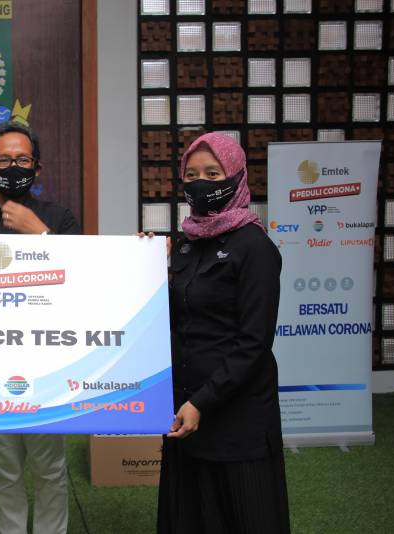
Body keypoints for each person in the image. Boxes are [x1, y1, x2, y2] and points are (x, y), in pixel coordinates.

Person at [157, 132, 290, 533]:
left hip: (236, 418)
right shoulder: (185, 245)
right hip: (185, 413)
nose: (201, 183)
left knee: (246, 517)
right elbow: (175, 321)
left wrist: (202, 402)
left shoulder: (255, 247)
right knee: (191, 517)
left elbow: (253, 343)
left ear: (236, 176)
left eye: (213, 173)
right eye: (192, 174)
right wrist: (149, 271)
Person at [0, 121, 79, 534]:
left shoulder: (60, 219)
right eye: (4, 160)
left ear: (37, 168)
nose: (13, 167)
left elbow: (84, 282)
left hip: (49, 360)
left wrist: (39, 233)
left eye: (22, 160)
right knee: (4, 467)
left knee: (50, 466)